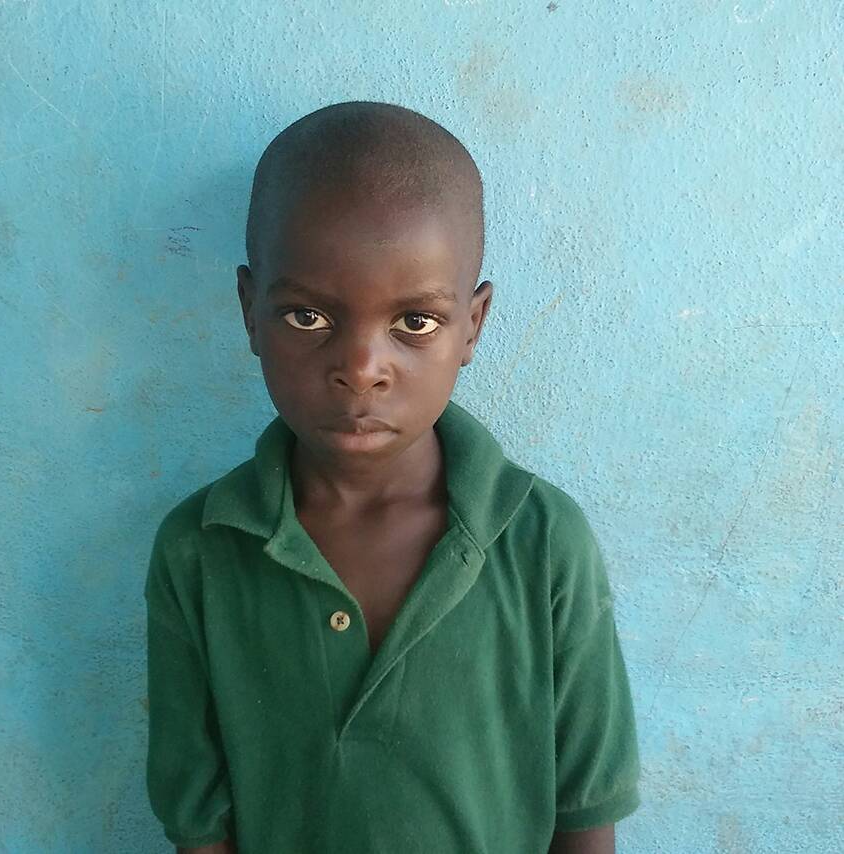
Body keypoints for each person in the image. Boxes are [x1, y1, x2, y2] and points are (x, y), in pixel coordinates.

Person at [144, 100, 641, 854]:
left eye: (415, 322)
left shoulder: (543, 543)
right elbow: (198, 824)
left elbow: (585, 815)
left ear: (473, 324)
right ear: (250, 311)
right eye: (307, 317)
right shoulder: (200, 550)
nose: (361, 369)